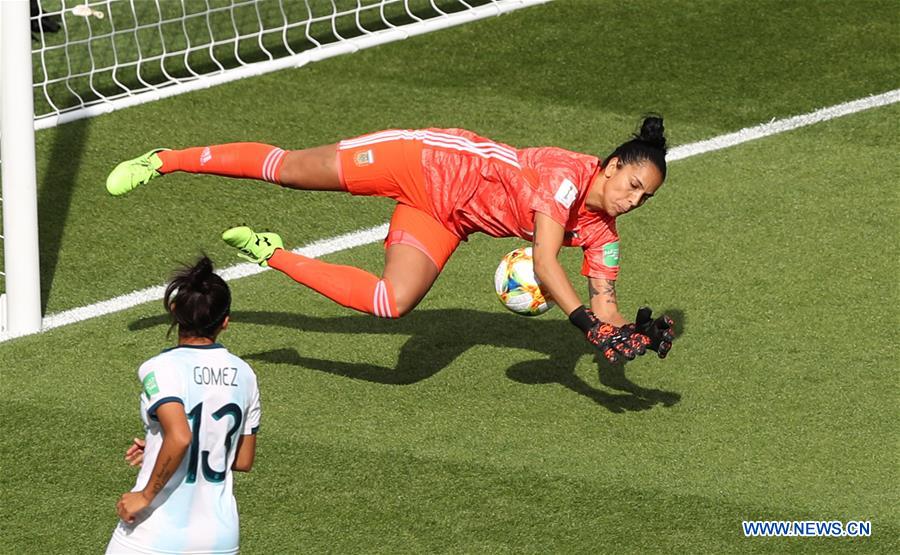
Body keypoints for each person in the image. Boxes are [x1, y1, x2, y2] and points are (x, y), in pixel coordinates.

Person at [107, 118, 674, 363]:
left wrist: (630, 335)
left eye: (644, 197)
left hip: (447, 219)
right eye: (632, 184)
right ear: (614, 164)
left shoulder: (604, 232)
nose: (633, 199)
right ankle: (166, 160)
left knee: (391, 302)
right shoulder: (564, 176)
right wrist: (588, 327)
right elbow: (547, 263)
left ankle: (269, 252)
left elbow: (603, 299)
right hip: (421, 161)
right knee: (288, 169)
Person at [107, 257, 261, 555]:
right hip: (219, 539)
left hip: (154, 536)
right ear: (226, 321)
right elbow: (242, 459)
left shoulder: (160, 368)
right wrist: (156, 447)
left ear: (175, 311)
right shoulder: (245, 375)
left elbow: (180, 436)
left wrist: (145, 495)